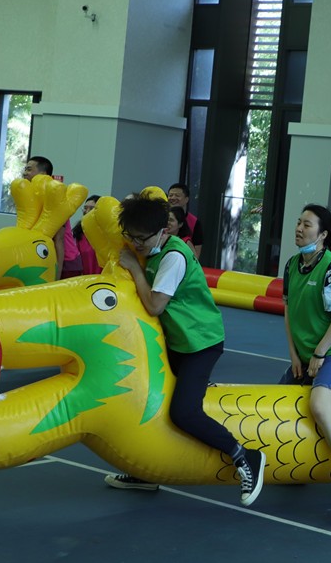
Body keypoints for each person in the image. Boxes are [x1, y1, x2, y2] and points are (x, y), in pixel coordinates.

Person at [106, 193, 265, 506]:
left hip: (199, 343)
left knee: (183, 412)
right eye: (130, 236)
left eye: (141, 238)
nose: (135, 244)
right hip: (175, 340)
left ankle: (245, 455)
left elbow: (155, 305)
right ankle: (147, 471)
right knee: (146, 401)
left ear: (163, 231)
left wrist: (134, 269)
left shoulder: (174, 257)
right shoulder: (149, 249)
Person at [281, 205, 331, 508]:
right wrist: (294, 354)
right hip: (305, 354)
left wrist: (319, 353)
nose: (299, 228)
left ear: (323, 234)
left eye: (307, 224)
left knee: (319, 405)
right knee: (279, 403)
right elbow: (288, 309)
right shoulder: (292, 265)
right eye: (298, 222)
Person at [22, 156, 79, 278]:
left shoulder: (54, 198)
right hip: (46, 258)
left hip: (65, 262)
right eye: (25, 169)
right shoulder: (32, 197)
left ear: (43, 174)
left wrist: (57, 273)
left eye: (29, 169)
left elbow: (59, 239)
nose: (25, 173)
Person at [167, 183, 205, 261]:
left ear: (186, 199)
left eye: (177, 195)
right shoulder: (160, 217)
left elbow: (195, 258)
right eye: (170, 195)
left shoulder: (195, 222)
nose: (173, 198)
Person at [71, 195, 102, 275]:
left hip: (103, 279)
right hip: (83, 279)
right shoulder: (78, 233)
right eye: (85, 208)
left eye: (91, 208)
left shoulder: (106, 234)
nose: (87, 211)